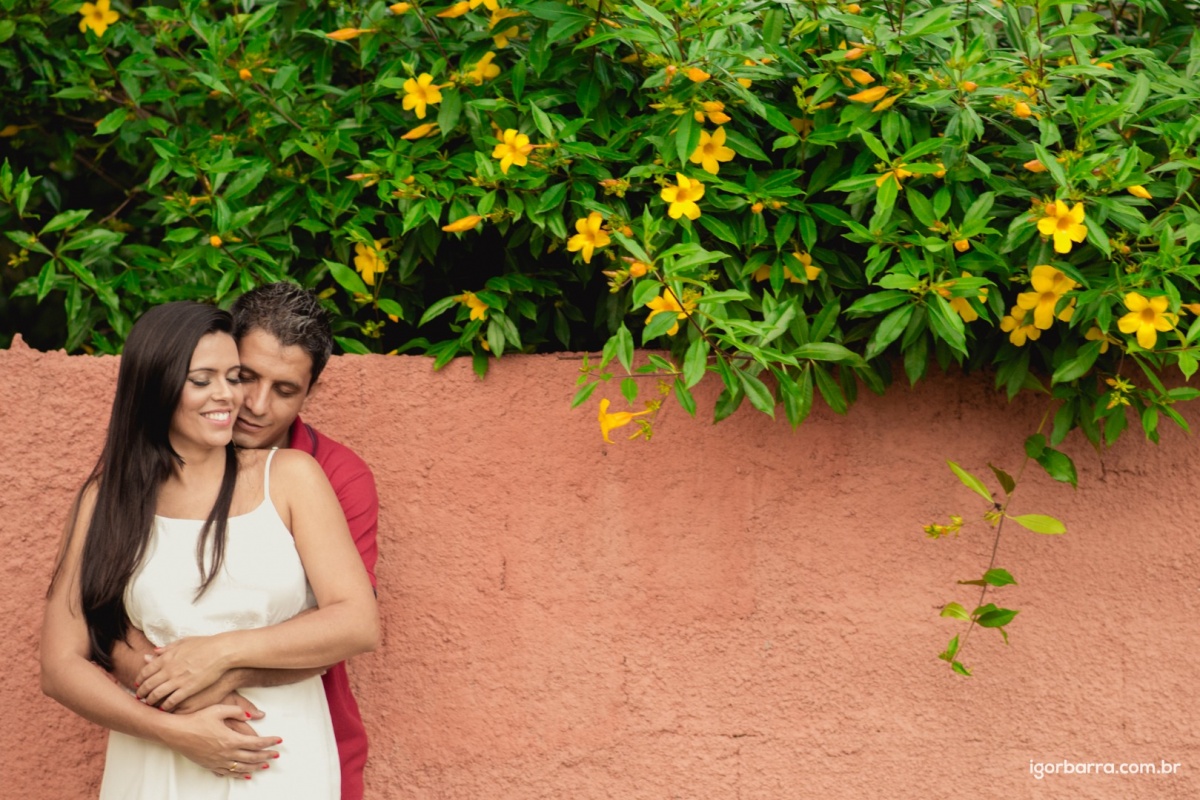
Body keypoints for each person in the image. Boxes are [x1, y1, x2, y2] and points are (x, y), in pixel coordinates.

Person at [41, 302, 379, 799]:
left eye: (232, 376)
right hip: (156, 752)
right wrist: (175, 729)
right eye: (203, 379)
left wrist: (217, 657)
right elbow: (60, 663)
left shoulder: (293, 476)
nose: (233, 397)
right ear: (158, 386)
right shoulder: (106, 499)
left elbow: (356, 622)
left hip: (276, 749)